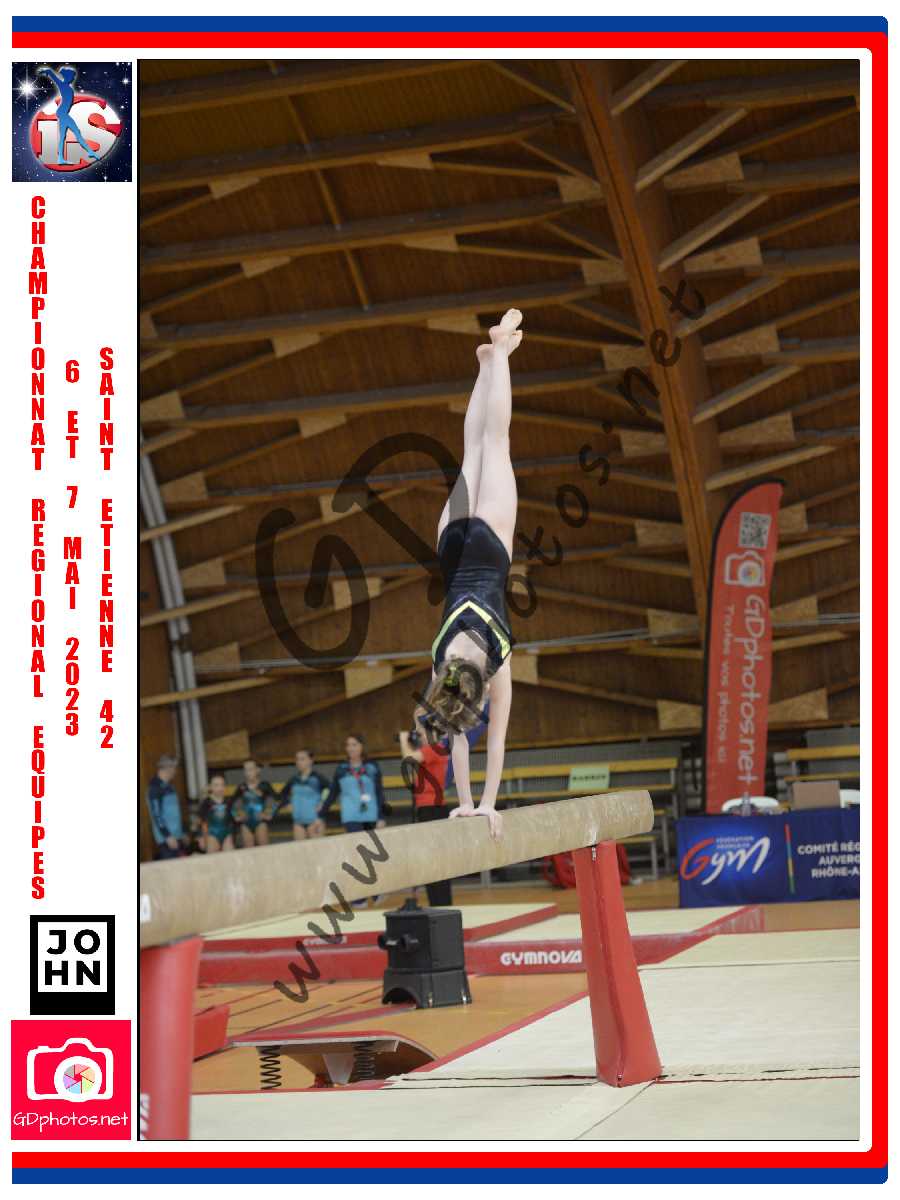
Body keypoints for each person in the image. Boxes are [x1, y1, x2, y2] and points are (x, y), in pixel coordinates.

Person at [422, 309, 522, 840]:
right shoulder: (440, 662)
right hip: (451, 546)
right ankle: (485, 364)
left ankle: (500, 351)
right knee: (474, 450)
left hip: (488, 547)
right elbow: (456, 734)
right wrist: (464, 804)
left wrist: (482, 806)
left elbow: (492, 741)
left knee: (495, 444)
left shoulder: (495, 663)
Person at [399, 704, 489, 905]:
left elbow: (407, 759)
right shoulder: (434, 748)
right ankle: (438, 902)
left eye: (421, 732)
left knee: (436, 859)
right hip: (429, 808)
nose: (418, 735)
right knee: (433, 859)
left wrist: (403, 740)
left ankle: (441, 903)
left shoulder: (435, 748)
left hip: (432, 809)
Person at [321, 733, 386, 833]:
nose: (350, 748)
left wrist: (381, 817)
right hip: (350, 816)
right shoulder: (341, 769)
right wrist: (320, 813)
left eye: (354, 745)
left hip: (371, 814)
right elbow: (333, 793)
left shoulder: (372, 766)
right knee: (358, 842)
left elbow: (379, 792)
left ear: (362, 746)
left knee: (372, 842)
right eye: (348, 745)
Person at [36, 66, 101, 165]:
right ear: (67, 76)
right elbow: (54, 78)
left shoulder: (67, 87)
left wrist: (48, 71)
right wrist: (47, 71)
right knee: (76, 132)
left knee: (63, 136)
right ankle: (89, 152)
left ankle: (61, 158)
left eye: (73, 76)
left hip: (63, 113)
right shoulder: (63, 85)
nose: (73, 78)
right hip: (63, 113)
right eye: (72, 76)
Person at [282, 749, 329, 840]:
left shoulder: (318, 777)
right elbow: (283, 794)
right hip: (298, 822)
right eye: (297, 759)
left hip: (315, 820)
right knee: (299, 849)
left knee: (317, 848)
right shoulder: (294, 779)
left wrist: (323, 802)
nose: (299, 762)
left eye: (302, 759)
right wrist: (287, 803)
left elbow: (330, 790)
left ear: (311, 760)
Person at [231, 759, 279, 848]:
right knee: (249, 852)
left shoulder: (265, 785)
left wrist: (268, 814)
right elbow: (233, 804)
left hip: (260, 822)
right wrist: (238, 815)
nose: (248, 772)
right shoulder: (241, 787)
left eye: (251, 769)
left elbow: (275, 800)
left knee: (264, 850)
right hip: (246, 823)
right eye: (246, 770)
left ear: (257, 770)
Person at [146, 753, 185, 860]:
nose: (175, 771)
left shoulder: (170, 786)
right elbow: (157, 815)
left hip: (177, 835)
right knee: (172, 868)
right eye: (174, 768)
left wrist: (182, 832)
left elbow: (175, 813)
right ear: (168, 768)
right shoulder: (155, 788)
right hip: (167, 840)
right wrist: (167, 836)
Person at [200, 771, 235, 853]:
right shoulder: (206, 803)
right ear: (210, 787)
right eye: (216, 785)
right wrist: (204, 839)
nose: (220, 788)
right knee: (213, 858)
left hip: (227, 834)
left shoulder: (229, 801)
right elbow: (203, 823)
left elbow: (232, 820)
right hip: (212, 835)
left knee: (230, 857)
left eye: (222, 785)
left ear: (225, 786)